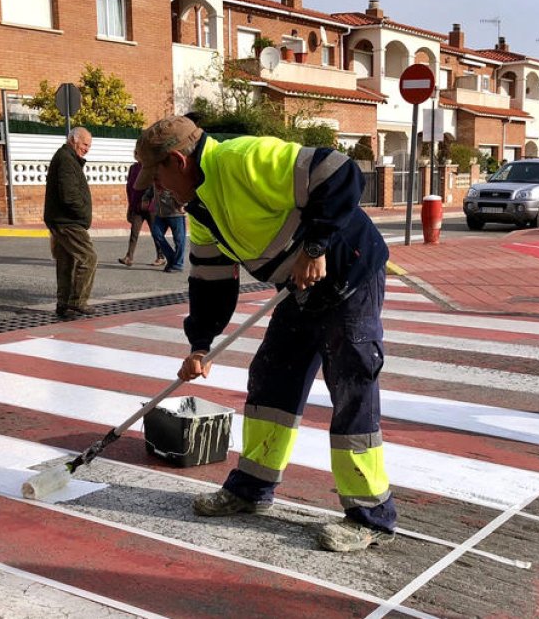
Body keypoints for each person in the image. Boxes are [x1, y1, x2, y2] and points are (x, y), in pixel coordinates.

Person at [134, 115, 395, 553]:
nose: (157, 188)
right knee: (272, 379)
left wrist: (316, 247)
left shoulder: (244, 159)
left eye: (157, 176)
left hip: (349, 273)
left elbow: (339, 171)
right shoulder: (200, 208)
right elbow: (212, 281)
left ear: (177, 161)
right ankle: (251, 488)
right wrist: (201, 343)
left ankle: (370, 515)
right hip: (298, 291)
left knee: (351, 387)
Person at [43, 127, 96, 319]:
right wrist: (83, 214)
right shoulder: (66, 159)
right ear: (73, 140)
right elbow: (68, 195)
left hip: (61, 219)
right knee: (88, 257)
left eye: (89, 145)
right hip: (67, 220)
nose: (87, 149)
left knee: (66, 262)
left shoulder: (66, 157)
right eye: (84, 144)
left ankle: (64, 303)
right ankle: (77, 301)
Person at [119, 161, 165, 268]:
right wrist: (131, 206)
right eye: (136, 153)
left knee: (156, 233)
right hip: (136, 206)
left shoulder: (151, 167)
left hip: (150, 207)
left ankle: (161, 256)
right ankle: (129, 257)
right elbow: (129, 187)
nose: (137, 155)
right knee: (134, 232)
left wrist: (150, 201)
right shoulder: (133, 168)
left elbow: (157, 186)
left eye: (139, 153)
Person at [149, 186, 187, 273]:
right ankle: (172, 259)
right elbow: (151, 188)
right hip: (160, 214)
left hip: (175, 212)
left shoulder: (174, 175)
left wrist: (183, 205)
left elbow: (183, 189)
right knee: (156, 233)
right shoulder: (156, 175)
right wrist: (146, 197)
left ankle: (178, 265)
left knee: (179, 240)